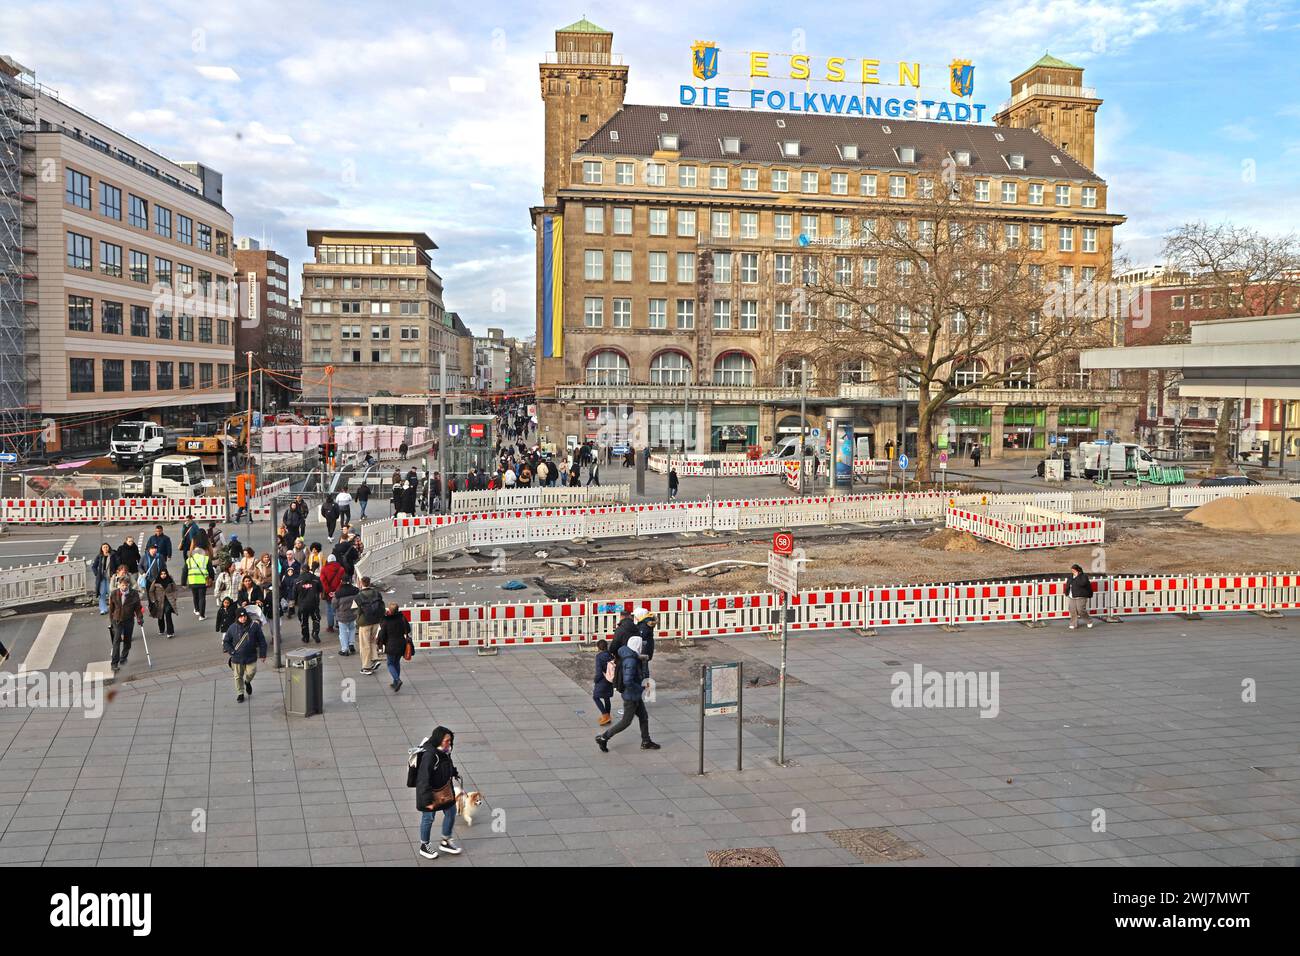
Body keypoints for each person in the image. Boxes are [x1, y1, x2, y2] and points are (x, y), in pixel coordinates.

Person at [595, 635, 659, 752]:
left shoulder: (630, 655)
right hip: (631, 695)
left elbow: (641, 676)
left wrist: (643, 662)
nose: (642, 648)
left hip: (634, 694)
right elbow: (628, 680)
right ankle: (604, 737)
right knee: (626, 722)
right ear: (637, 646)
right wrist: (640, 688)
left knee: (643, 717)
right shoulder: (631, 661)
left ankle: (646, 741)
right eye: (641, 646)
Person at [413, 726, 463, 859]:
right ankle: (424, 846)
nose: (449, 743)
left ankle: (445, 841)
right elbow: (423, 779)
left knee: (451, 812)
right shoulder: (430, 755)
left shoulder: (445, 750)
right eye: (447, 740)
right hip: (431, 792)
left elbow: (447, 763)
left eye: (450, 740)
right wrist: (427, 801)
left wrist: (454, 772)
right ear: (439, 740)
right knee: (428, 818)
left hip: (445, 789)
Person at [222, 607, 267, 703]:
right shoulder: (232, 627)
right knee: (238, 676)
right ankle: (240, 693)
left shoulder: (254, 626)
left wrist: (263, 654)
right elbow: (226, 642)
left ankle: (247, 682)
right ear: (237, 618)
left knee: (252, 671)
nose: (243, 618)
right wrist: (231, 651)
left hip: (251, 656)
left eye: (244, 616)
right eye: (241, 617)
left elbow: (262, 641)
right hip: (237, 658)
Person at [108, 578, 143, 671]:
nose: (124, 587)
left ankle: (123, 658)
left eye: (126, 585)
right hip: (117, 620)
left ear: (128, 585)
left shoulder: (134, 594)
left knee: (127, 641)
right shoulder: (114, 593)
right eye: (122, 585)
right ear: (119, 585)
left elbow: (138, 608)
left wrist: (140, 618)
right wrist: (111, 621)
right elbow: (111, 608)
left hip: (129, 620)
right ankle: (114, 663)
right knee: (116, 640)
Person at [354, 576, 386, 676]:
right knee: (372, 641)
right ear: (369, 583)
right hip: (376, 621)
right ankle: (374, 659)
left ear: (361, 583)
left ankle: (366, 667)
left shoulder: (359, 596)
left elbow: (355, 609)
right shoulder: (376, 593)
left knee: (364, 645)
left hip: (364, 622)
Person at [377, 602, 412, 692]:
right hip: (401, 643)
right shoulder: (402, 618)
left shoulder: (386, 621)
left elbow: (382, 634)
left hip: (391, 645)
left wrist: (380, 643)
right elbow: (408, 629)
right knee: (396, 663)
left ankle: (397, 680)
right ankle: (395, 682)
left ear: (389, 610)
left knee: (390, 663)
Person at [183, 543, 212, 621]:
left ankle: (197, 610)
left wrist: (183, 582)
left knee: (195, 596)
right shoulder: (205, 559)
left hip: (192, 581)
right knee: (202, 597)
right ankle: (202, 615)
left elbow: (184, 571)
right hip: (203, 581)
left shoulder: (189, 560)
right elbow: (210, 570)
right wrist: (211, 578)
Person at [295, 565, 323, 644]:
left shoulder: (297, 580)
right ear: (309, 569)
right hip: (314, 603)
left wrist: (296, 603)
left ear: (301, 570)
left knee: (304, 620)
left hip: (303, 604)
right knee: (316, 619)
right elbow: (321, 589)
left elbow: (294, 593)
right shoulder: (316, 579)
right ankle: (315, 633)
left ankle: (305, 637)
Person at [333, 575, 360, 656]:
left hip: (342, 615)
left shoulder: (338, 593)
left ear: (341, 581)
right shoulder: (355, 590)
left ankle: (345, 650)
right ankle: (351, 644)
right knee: (352, 629)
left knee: (343, 632)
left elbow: (334, 604)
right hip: (353, 614)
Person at [148, 568, 178, 638]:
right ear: (159, 574)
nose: (163, 575)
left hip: (169, 600)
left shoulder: (170, 580)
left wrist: (174, 597)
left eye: (164, 574)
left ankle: (170, 632)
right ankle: (161, 629)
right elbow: (151, 591)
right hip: (159, 601)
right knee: (160, 616)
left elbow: (175, 589)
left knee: (168, 613)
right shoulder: (156, 581)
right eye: (162, 574)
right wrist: (153, 600)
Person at [592, 639, 614, 727]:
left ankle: (605, 715)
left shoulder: (599, 657)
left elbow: (599, 671)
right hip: (610, 679)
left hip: (602, 680)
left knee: (595, 697)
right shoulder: (611, 655)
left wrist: (596, 680)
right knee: (607, 697)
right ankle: (608, 716)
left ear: (598, 648)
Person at [1067, 563, 1094, 630]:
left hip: (1081, 596)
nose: (1073, 572)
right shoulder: (1070, 576)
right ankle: (1073, 623)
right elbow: (1068, 584)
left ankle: (1089, 621)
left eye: (1074, 571)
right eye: (1072, 570)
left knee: (1080, 610)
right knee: (1072, 610)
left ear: (1078, 570)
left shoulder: (1083, 576)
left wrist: (1077, 576)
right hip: (1072, 596)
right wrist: (1066, 591)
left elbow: (1083, 584)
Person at [92, 542, 116, 615]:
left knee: (111, 593)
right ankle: (103, 609)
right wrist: (97, 574)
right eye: (104, 547)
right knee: (102, 593)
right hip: (102, 578)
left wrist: (114, 573)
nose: (105, 548)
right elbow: (94, 566)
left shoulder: (112, 556)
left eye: (106, 547)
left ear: (109, 548)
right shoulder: (99, 556)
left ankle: (113, 608)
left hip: (110, 577)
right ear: (101, 549)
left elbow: (117, 564)